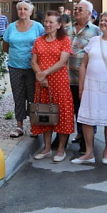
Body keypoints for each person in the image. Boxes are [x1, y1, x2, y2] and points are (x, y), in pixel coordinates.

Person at [72, 12, 107, 165]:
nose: (103, 22)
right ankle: (89, 153)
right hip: (91, 86)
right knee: (87, 119)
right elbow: (83, 65)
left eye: (106, 20)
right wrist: (81, 87)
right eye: (102, 20)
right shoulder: (94, 40)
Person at [31, 10, 74, 162]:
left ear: (59, 25)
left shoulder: (65, 40)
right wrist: (40, 75)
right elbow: (33, 61)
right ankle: (47, 148)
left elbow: (62, 62)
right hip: (42, 84)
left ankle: (61, 150)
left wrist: (44, 73)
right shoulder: (39, 40)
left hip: (59, 84)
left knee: (62, 116)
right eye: (46, 21)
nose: (47, 24)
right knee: (44, 115)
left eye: (51, 22)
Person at [2, 0, 44, 138]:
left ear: (31, 11)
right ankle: (19, 126)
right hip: (15, 67)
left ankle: (34, 126)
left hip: (33, 68)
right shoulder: (11, 27)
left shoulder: (38, 27)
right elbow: (5, 46)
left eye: (26, 9)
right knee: (18, 96)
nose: (22, 11)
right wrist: (17, 55)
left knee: (33, 97)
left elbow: (44, 44)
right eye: (20, 9)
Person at [66, 0, 101, 154]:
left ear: (89, 13)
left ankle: (87, 142)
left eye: (80, 9)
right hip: (67, 77)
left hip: (85, 79)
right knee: (70, 109)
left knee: (86, 110)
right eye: (76, 9)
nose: (77, 11)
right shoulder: (67, 30)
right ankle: (74, 135)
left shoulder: (96, 31)